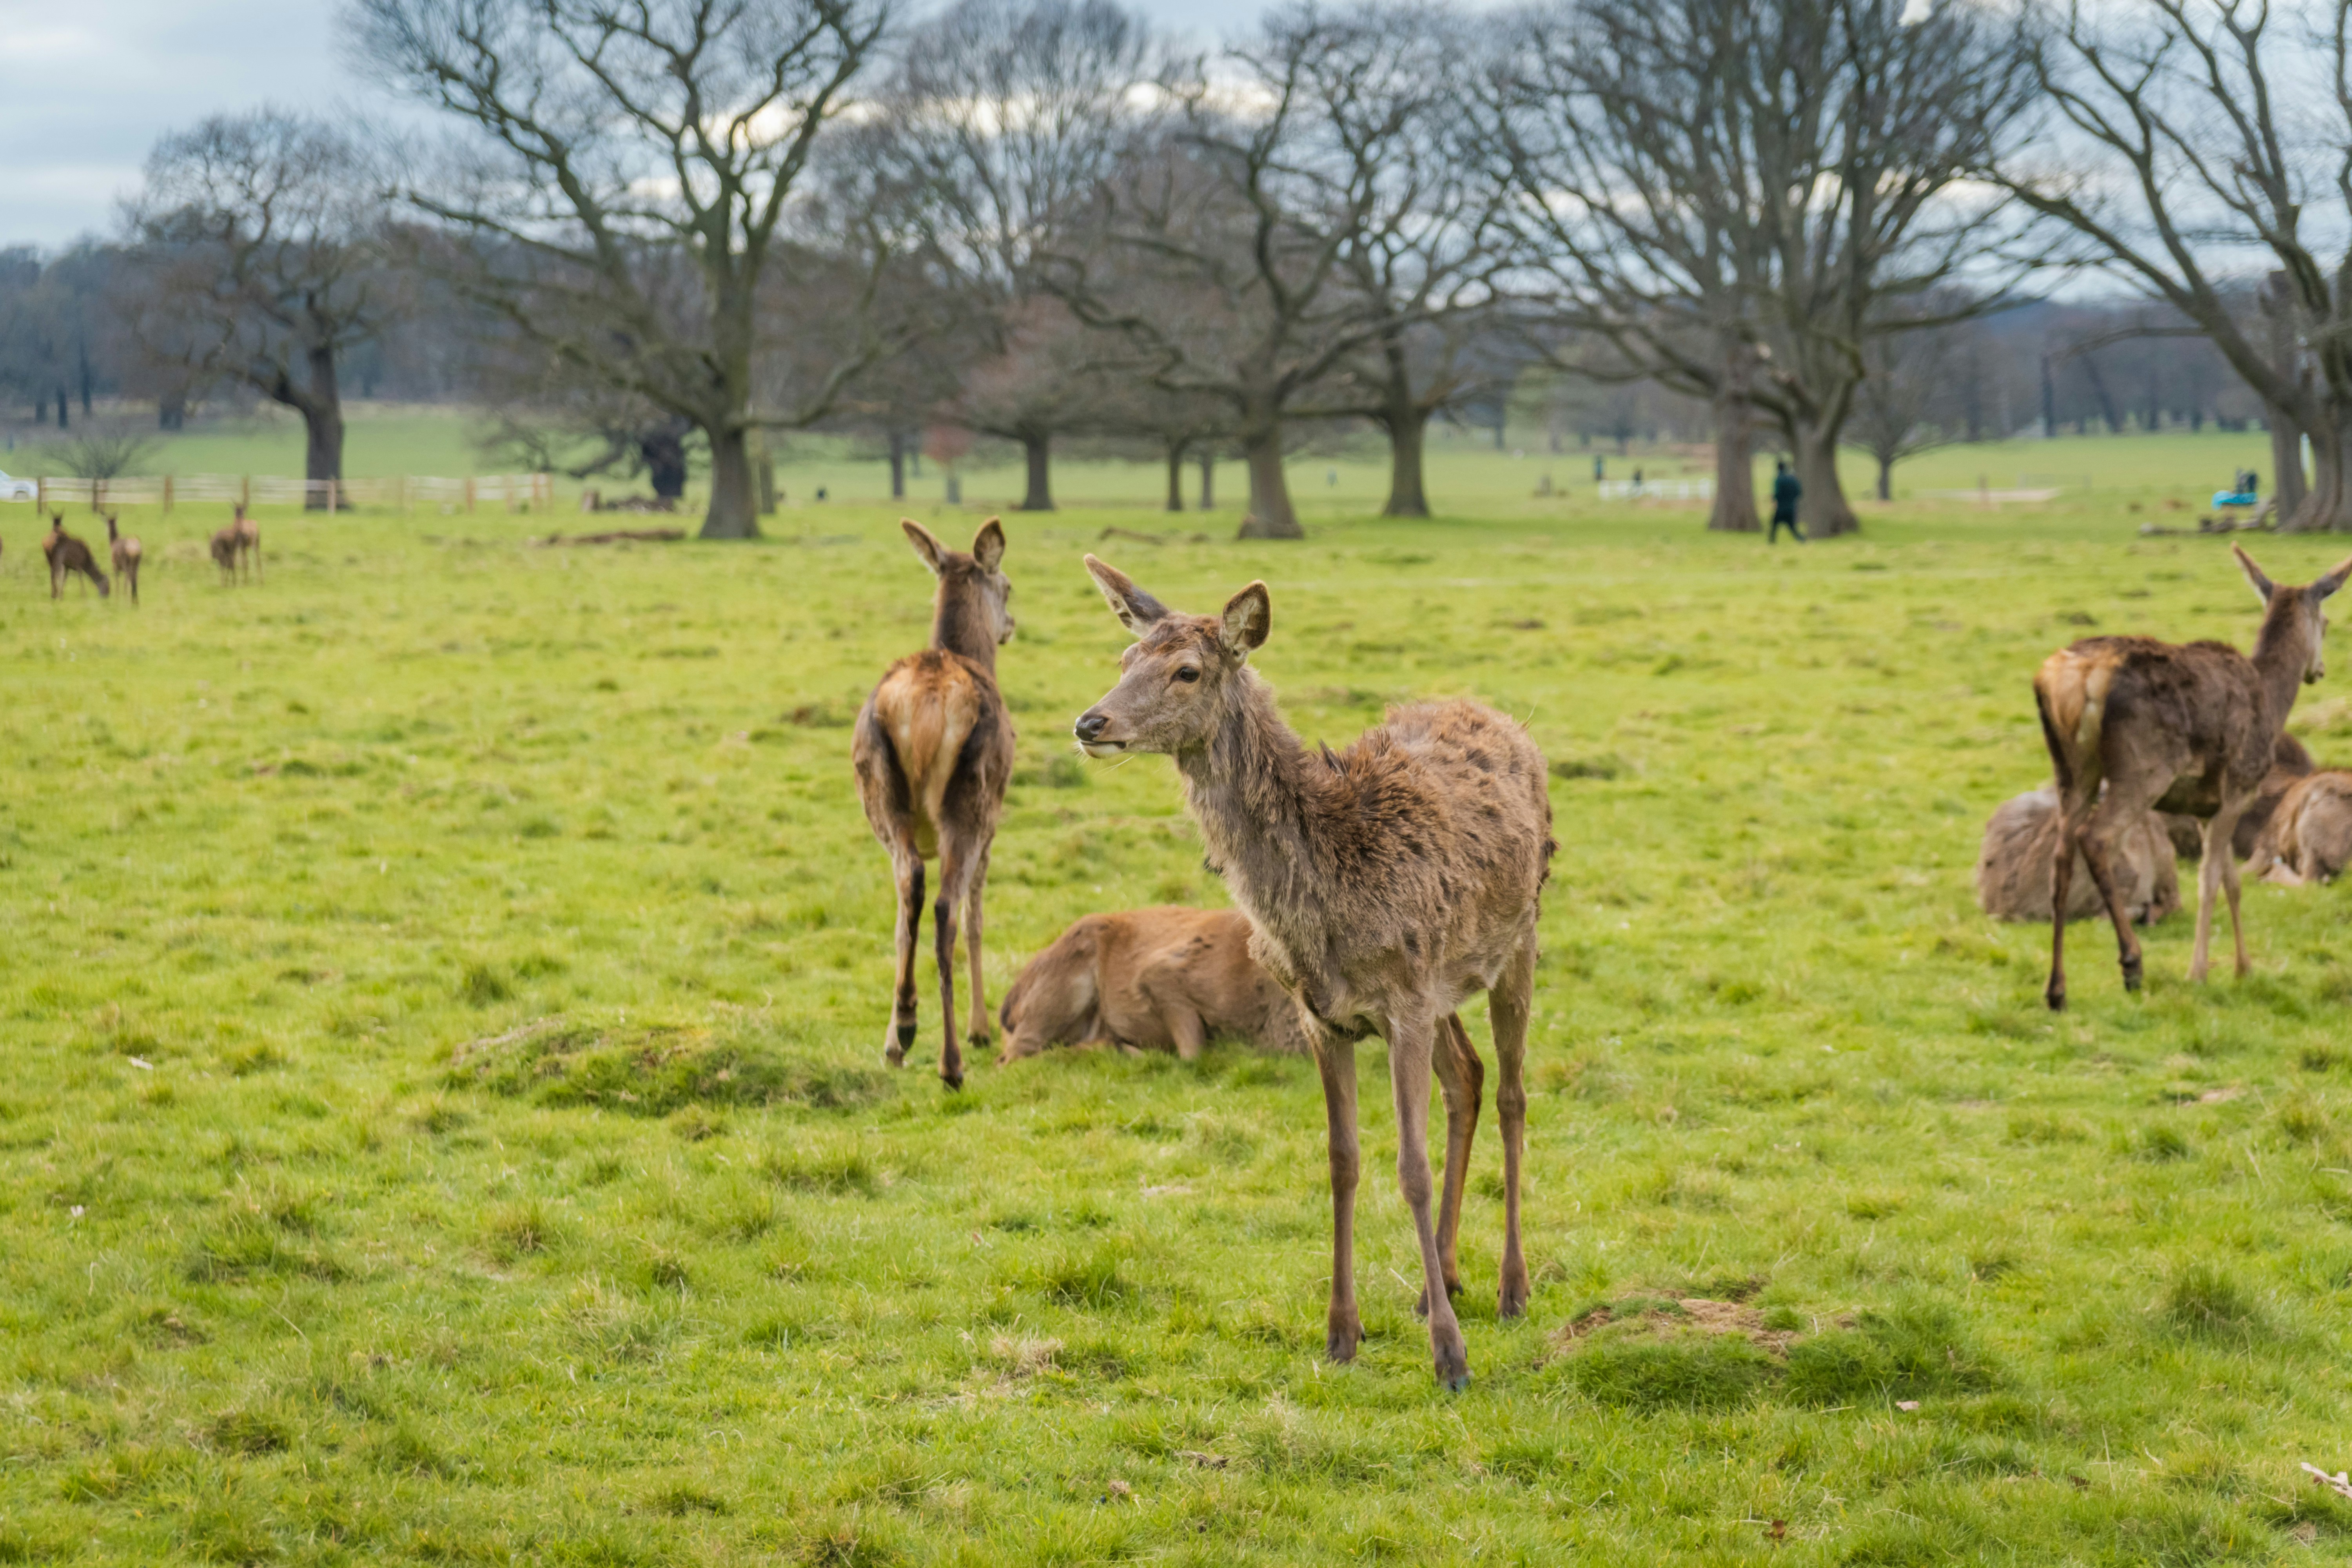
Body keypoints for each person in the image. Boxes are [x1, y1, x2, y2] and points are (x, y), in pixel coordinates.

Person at [1769, 460, 1804, 543]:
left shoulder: (1779, 479)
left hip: (1781, 508)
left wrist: (1775, 500)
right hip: (1791, 507)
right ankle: (1802, 540)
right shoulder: (1793, 479)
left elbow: (1777, 494)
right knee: (1792, 527)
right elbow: (1799, 493)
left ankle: (1771, 542)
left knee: (1774, 526)